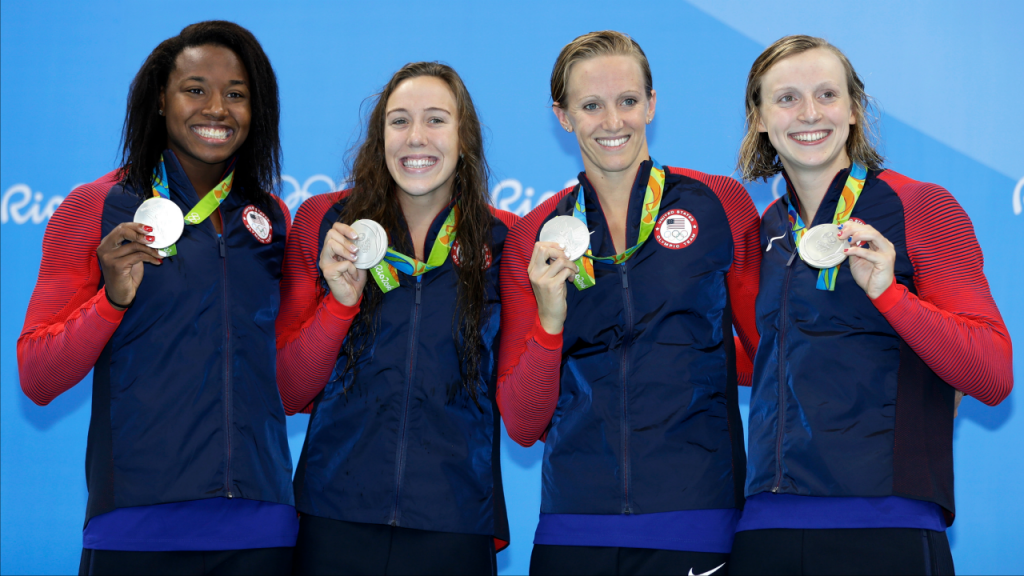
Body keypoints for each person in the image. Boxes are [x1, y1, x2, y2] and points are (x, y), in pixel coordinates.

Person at [17, 21, 297, 576]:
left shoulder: (271, 218)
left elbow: (287, 376)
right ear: (159, 102)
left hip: (262, 530)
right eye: (195, 89)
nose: (216, 108)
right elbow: (38, 375)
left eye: (236, 94)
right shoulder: (96, 205)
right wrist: (111, 302)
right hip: (137, 531)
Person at [729, 35, 1014, 576]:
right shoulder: (766, 231)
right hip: (766, 525)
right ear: (760, 118)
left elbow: (992, 373)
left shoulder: (919, 205)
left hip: (887, 521)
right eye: (786, 98)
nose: (809, 114)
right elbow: (761, 360)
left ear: (855, 110)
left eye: (827, 95)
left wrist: (888, 294)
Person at [498, 31, 761, 575]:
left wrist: (694, 364)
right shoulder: (533, 235)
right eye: (591, 106)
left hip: (697, 518)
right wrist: (551, 322)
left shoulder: (719, 203)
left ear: (652, 104)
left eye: (627, 101)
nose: (613, 122)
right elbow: (523, 423)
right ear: (563, 116)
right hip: (574, 525)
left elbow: (772, 351)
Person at [277, 61, 515, 576]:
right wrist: (340, 304)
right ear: (378, 135)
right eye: (399, 120)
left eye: (436, 119)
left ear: (464, 138)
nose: (416, 138)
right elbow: (291, 390)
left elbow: (524, 404)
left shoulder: (506, 241)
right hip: (333, 515)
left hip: (453, 520)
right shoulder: (325, 223)